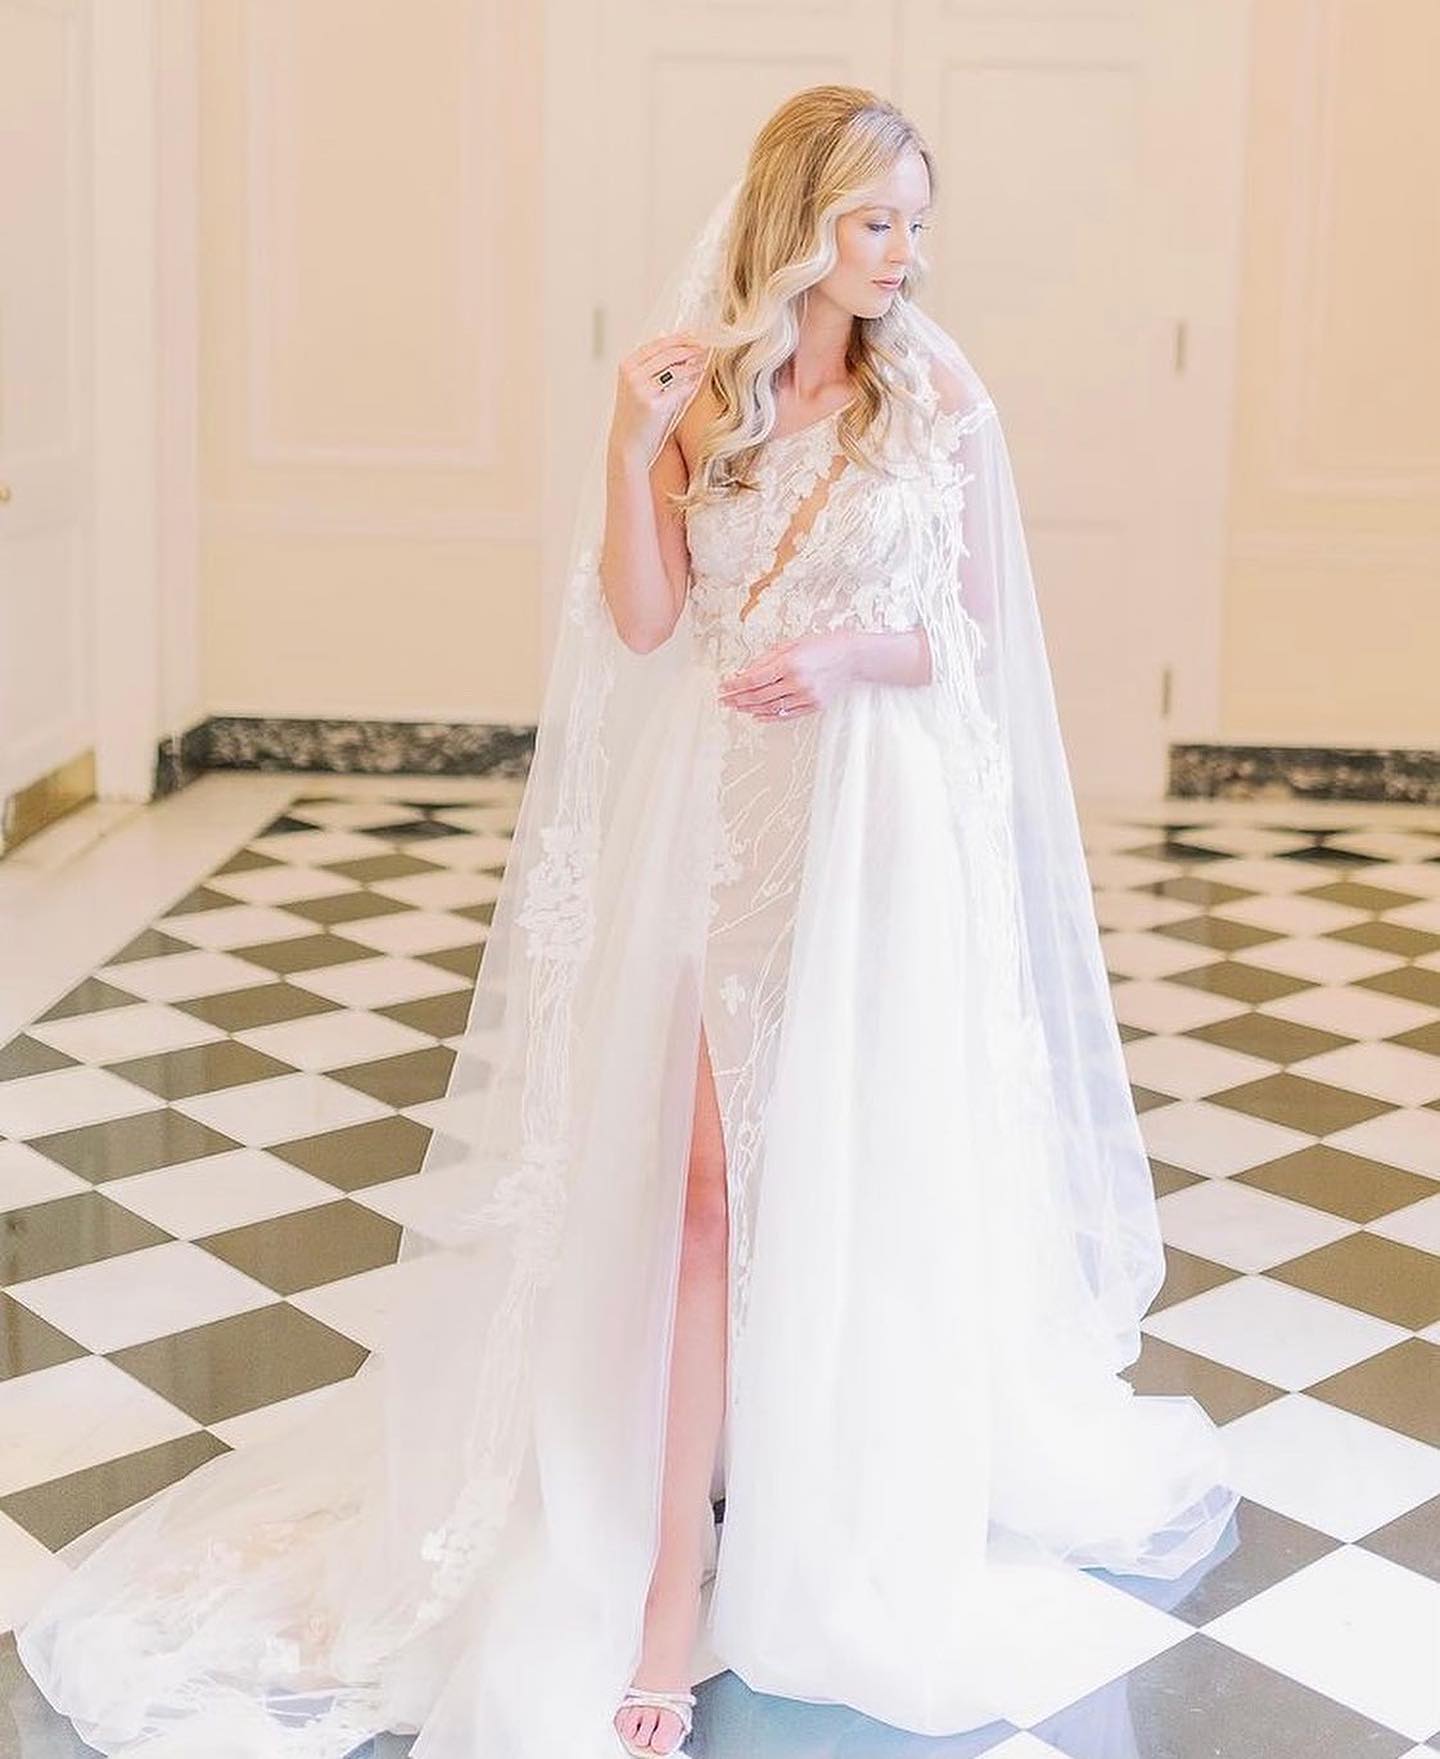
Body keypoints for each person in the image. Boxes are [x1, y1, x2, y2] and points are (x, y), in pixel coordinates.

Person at [13, 84, 1239, 1759]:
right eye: (874, 219)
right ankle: (668, 1581)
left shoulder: (939, 397)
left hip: (870, 836)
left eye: (917, 222)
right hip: (712, 830)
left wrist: (844, 662)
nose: (903, 254)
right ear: (801, 220)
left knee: (840, 1180)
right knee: (695, 1198)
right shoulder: (709, 397)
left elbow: (970, 646)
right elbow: (649, 620)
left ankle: (809, 1491)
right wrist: (621, 442)